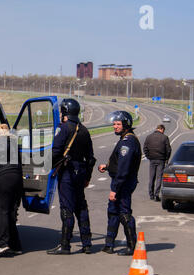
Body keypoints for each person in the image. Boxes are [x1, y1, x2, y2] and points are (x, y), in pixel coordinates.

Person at [46, 98, 96, 255]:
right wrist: (87, 176)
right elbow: (91, 158)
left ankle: (65, 244)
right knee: (81, 206)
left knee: (67, 207)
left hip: (67, 171)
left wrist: (48, 165)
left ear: (65, 112)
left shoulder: (63, 128)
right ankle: (87, 243)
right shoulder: (84, 130)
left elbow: (55, 151)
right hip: (81, 171)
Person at [98, 111, 141, 256]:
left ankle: (132, 246)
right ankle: (109, 244)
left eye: (118, 124)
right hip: (119, 181)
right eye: (114, 124)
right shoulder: (124, 139)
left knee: (124, 213)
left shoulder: (128, 142)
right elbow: (119, 164)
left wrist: (114, 189)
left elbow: (123, 169)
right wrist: (108, 166)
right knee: (113, 213)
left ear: (126, 125)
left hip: (123, 184)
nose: (114, 127)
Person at [0, 124, 23, 258]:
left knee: (2, 211)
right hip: (16, 178)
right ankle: (16, 245)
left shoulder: (1, 142)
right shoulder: (13, 142)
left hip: (3, 177)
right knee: (11, 213)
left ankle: (2, 244)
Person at [143, 124, 171, 201]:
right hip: (161, 160)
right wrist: (166, 159)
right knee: (159, 178)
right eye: (163, 131)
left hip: (152, 159)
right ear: (161, 129)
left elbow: (145, 148)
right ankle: (156, 195)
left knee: (151, 177)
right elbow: (168, 150)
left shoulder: (149, 137)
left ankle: (151, 195)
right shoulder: (165, 137)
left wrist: (148, 156)